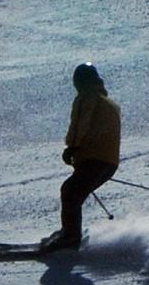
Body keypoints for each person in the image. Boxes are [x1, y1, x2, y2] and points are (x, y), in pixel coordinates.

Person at [43, 62, 120, 253]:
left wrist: (72, 148)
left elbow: (81, 125)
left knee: (70, 191)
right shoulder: (107, 101)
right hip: (108, 161)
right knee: (73, 192)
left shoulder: (88, 98)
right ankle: (69, 232)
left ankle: (70, 237)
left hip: (94, 159)